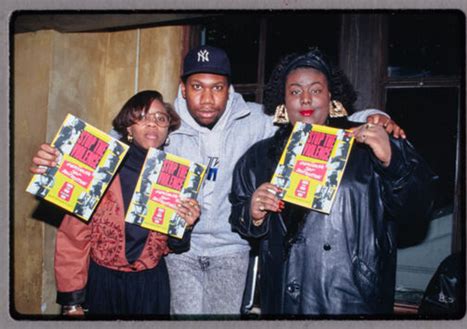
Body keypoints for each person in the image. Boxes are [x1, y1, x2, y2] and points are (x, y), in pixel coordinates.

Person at [31, 45, 405, 317]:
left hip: (232, 251)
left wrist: (374, 116)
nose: (207, 97)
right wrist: (58, 161)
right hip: (179, 256)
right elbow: (116, 147)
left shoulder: (259, 120)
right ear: (183, 89)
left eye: (217, 87)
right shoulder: (164, 126)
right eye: (197, 86)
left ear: (230, 89)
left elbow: (315, 115)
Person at [229, 48, 437, 315]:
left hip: (349, 300)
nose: (305, 99)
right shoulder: (258, 157)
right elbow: (239, 215)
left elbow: (418, 208)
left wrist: (392, 161)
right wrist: (253, 214)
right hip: (281, 302)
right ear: (283, 101)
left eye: (315, 90)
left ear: (331, 97)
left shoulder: (368, 144)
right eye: (294, 91)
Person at [29, 90, 201, 317]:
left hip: (151, 285)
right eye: (142, 116)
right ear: (128, 127)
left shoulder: (176, 175)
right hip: (102, 283)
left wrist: (186, 226)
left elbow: (174, 246)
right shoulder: (100, 163)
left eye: (161, 118)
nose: (153, 123)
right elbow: (73, 236)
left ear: (168, 129)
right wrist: (72, 303)